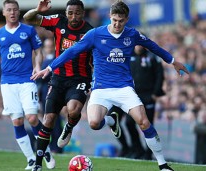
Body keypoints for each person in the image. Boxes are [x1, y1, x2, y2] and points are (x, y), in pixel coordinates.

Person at [31, 1, 189, 170]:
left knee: (144, 122)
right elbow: (72, 51)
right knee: (93, 123)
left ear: (126, 19)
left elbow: (153, 47)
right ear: (110, 17)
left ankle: (162, 164)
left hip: (124, 88)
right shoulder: (95, 34)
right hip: (101, 89)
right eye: (114, 20)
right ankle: (110, 120)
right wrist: (49, 67)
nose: (117, 24)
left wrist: (173, 61)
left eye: (121, 20)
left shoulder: (132, 35)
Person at [0, 0, 55, 170]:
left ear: (18, 11)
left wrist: (38, 65)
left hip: (27, 80)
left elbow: (38, 51)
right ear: (3, 13)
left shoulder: (29, 30)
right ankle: (31, 159)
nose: (12, 12)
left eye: (15, 10)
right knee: (17, 121)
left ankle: (44, 150)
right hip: (7, 84)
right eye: (9, 10)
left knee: (31, 117)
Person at [23, 0, 93, 170]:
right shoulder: (58, 21)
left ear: (82, 13)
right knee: (48, 120)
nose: (73, 17)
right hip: (58, 79)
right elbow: (28, 18)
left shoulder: (90, 32)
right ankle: (38, 165)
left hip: (80, 79)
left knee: (74, 110)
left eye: (77, 13)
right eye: (70, 13)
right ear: (66, 13)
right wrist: (38, 10)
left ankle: (68, 127)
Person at [109, 45, 166, 159]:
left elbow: (160, 75)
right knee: (126, 122)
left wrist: (155, 93)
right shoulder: (127, 56)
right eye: (136, 44)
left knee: (148, 125)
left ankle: (148, 152)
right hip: (130, 95)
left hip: (147, 96)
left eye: (140, 44)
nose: (138, 47)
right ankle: (135, 148)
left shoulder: (153, 57)